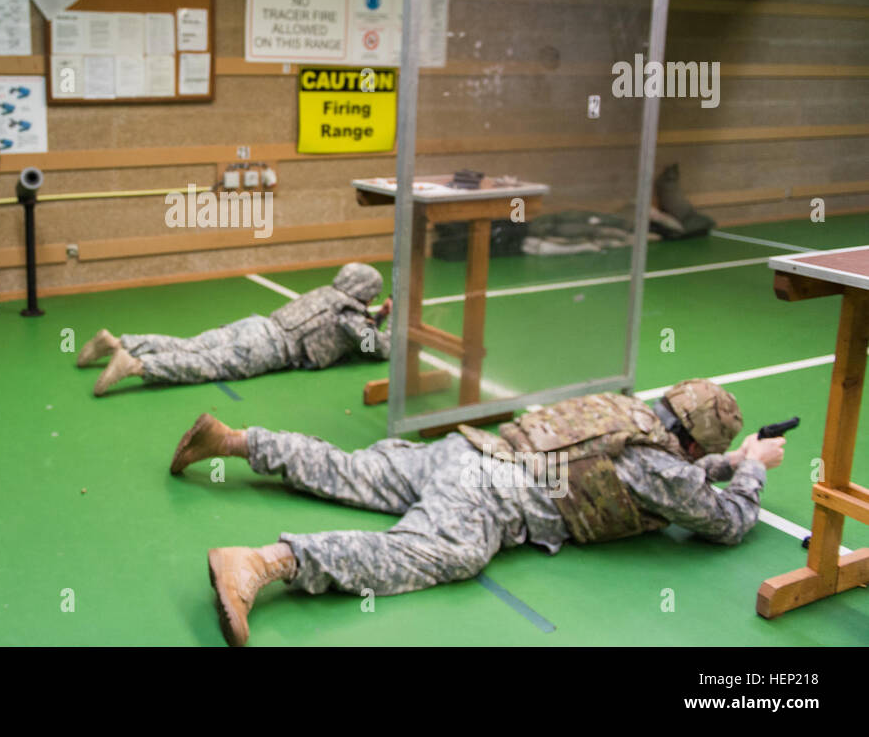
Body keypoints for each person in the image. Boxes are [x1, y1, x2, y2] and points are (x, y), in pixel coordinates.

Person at [168, 379, 784, 646]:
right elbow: (727, 524)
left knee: (355, 470)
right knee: (438, 554)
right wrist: (752, 465)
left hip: (466, 449)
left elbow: (651, 477)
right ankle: (264, 563)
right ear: (696, 441)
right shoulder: (666, 470)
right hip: (487, 493)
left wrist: (722, 464)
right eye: (708, 451)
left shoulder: (628, 412)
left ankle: (234, 440)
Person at [79, 262, 393, 396]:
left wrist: (377, 318)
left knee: (191, 344)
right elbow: (373, 348)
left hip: (257, 324)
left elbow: (353, 335)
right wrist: (387, 328)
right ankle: (136, 365)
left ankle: (119, 341)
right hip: (271, 347)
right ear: (364, 291)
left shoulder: (327, 293)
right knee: (208, 365)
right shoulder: (351, 314)